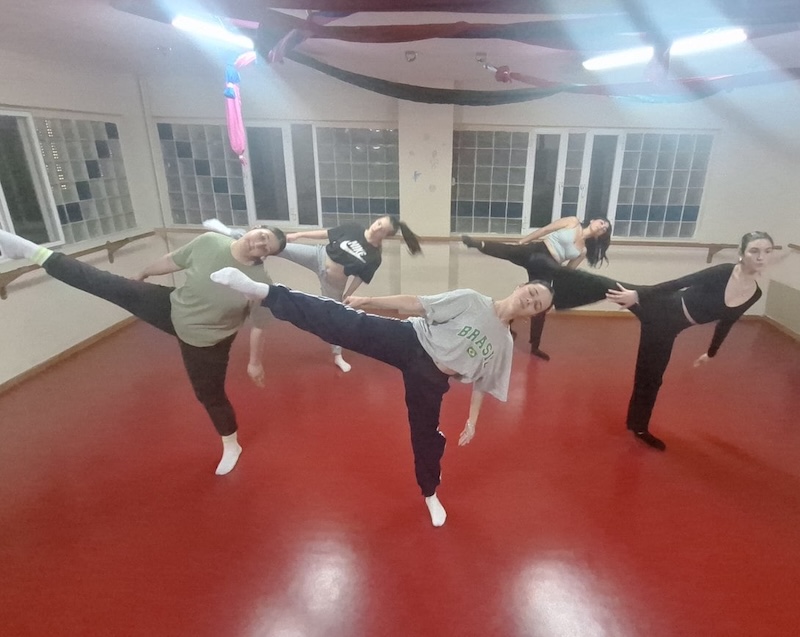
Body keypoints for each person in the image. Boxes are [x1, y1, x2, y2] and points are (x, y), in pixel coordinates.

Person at [209, 266, 554, 527]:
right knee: (346, 324)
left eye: (537, 304)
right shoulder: (472, 300)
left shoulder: (503, 344)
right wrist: (369, 300)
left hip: (432, 379)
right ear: (520, 287)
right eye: (532, 292)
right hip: (410, 340)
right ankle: (266, 292)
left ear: (532, 315)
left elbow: (482, 381)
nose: (531, 300)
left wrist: (472, 421)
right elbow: (417, 304)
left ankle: (430, 493)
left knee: (425, 437)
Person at [0, 226, 286, 475]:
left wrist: (254, 363)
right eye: (262, 236)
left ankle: (231, 444)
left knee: (209, 395)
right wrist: (144, 273)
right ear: (255, 228)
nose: (260, 244)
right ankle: (31, 251)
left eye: (267, 247)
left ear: (266, 255)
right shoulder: (210, 242)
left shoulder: (259, 282)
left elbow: (260, 324)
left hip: (207, 341)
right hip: (173, 308)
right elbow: (172, 260)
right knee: (105, 284)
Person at [548, 231, 774, 451]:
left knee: (651, 378)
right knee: (603, 285)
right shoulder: (724, 272)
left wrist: (711, 352)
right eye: (754, 251)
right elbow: (679, 282)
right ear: (741, 253)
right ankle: (548, 288)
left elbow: (726, 322)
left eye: (767, 251)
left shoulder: (755, 294)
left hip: (667, 329)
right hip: (661, 304)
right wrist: (637, 295)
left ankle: (638, 427)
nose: (761, 257)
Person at [204, 216, 422, 373]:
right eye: (379, 222)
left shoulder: (374, 257)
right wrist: (299, 234)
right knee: (277, 246)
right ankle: (231, 233)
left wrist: (347, 294)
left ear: (385, 236)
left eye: (382, 229)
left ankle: (337, 355)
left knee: (335, 318)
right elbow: (325, 234)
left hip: (334, 281)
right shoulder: (354, 228)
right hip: (317, 255)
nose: (377, 227)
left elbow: (359, 278)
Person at [462, 216, 611, 361]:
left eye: (605, 229)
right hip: (538, 250)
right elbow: (545, 230)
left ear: (599, 236)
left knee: (540, 306)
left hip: (547, 266)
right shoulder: (572, 222)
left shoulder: (582, 251)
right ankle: (479, 244)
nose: (602, 227)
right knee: (509, 251)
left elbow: (568, 271)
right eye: (602, 222)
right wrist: (523, 241)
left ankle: (535, 345)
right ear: (593, 220)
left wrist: (558, 286)